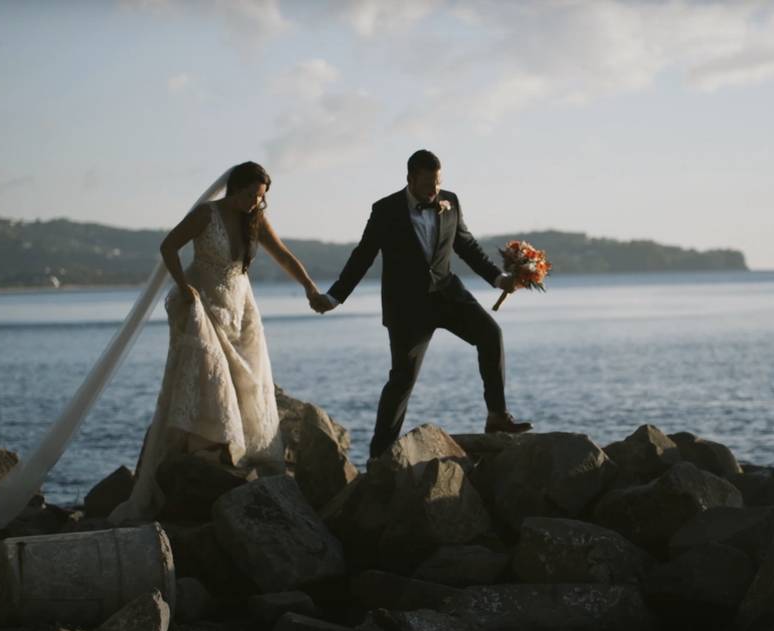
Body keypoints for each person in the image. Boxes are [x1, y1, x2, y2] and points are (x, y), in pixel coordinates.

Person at [111, 161, 321, 522]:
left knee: (246, 378)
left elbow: (283, 254)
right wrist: (182, 285)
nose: (257, 202)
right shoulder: (205, 216)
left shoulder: (253, 219)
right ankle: (206, 448)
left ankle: (238, 450)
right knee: (210, 376)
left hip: (240, 306)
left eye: (262, 197)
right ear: (235, 188)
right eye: (252, 195)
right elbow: (168, 247)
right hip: (202, 304)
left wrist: (310, 289)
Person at [309, 150, 532, 460]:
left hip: (448, 293)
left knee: (491, 335)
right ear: (410, 179)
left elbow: (466, 246)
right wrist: (334, 297)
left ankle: (496, 416)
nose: (434, 191)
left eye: (438, 183)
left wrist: (498, 278)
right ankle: (380, 454)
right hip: (406, 307)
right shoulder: (385, 210)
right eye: (428, 184)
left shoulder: (450, 201)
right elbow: (363, 255)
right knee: (402, 379)